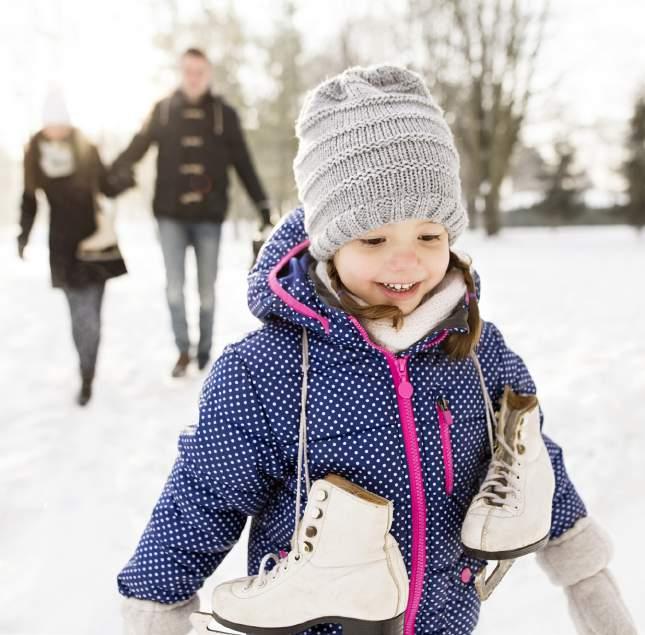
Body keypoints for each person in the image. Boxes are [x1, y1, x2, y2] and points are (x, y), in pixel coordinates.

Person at [117, 67, 636, 634]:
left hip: (445, 619)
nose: (406, 261)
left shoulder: (475, 349)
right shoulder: (265, 371)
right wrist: (156, 606)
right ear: (329, 243)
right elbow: (202, 496)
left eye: (429, 236)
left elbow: (529, 459)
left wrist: (584, 572)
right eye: (373, 238)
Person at [108, 47, 272, 378]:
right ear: (181, 73)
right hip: (170, 215)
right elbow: (138, 145)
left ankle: (204, 350)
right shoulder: (164, 109)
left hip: (209, 217)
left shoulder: (223, 114)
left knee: (207, 290)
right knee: (173, 287)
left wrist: (262, 204)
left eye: (199, 71)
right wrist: (113, 171)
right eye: (188, 71)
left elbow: (243, 161)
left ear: (208, 74)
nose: (194, 78)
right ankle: (182, 349)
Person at [18, 85, 127, 406]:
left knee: (92, 316)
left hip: (95, 243)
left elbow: (107, 185)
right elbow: (29, 198)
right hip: (62, 247)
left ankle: (88, 368)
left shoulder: (85, 146)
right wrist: (22, 236)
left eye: (61, 122)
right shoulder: (34, 151)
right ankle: (86, 373)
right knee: (79, 317)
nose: (57, 129)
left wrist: (123, 177)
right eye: (51, 123)